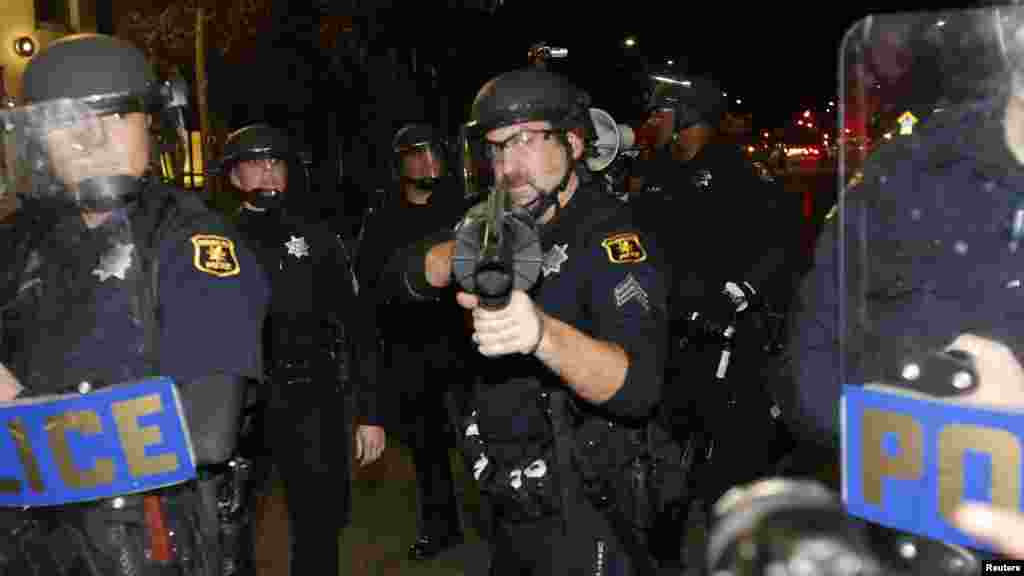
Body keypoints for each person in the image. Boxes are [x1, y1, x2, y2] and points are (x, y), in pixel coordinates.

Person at [383, 67, 669, 575]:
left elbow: (639, 386)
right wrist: (448, 258)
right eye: (495, 148)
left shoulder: (612, 239)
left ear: (574, 143)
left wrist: (542, 335)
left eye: (523, 143)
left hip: (586, 499)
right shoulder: (493, 217)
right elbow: (393, 285)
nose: (507, 166)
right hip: (508, 492)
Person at [0, 33, 268, 574]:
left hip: (154, 545)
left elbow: (204, 432)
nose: (89, 135)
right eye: (64, 117)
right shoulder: (17, 242)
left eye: (114, 114)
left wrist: (17, 411)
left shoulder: (190, 241)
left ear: (151, 123)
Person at [627, 71, 803, 569]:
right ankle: (667, 543)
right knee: (665, 452)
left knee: (728, 464)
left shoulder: (738, 174)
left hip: (725, 342)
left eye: (659, 113)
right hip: (667, 338)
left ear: (686, 117)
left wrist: (738, 295)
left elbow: (783, 247)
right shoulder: (654, 174)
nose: (651, 123)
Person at [213, 122, 388, 576]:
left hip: (313, 397)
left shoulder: (319, 240)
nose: (268, 173)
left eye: (276, 163)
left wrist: (369, 413)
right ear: (234, 176)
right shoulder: (215, 243)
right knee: (232, 522)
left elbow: (360, 327)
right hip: (240, 404)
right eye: (255, 163)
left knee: (320, 523)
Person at [356, 122, 470, 561]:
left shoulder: (460, 211)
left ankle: (506, 529)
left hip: (465, 350)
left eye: (434, 153)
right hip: (411, 352)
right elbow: (368, 290)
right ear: (400, 162)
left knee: (483, 442)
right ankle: (442, 529)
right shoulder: (383, 217)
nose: (428, 162)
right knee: (428, 451)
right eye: (417, 154)